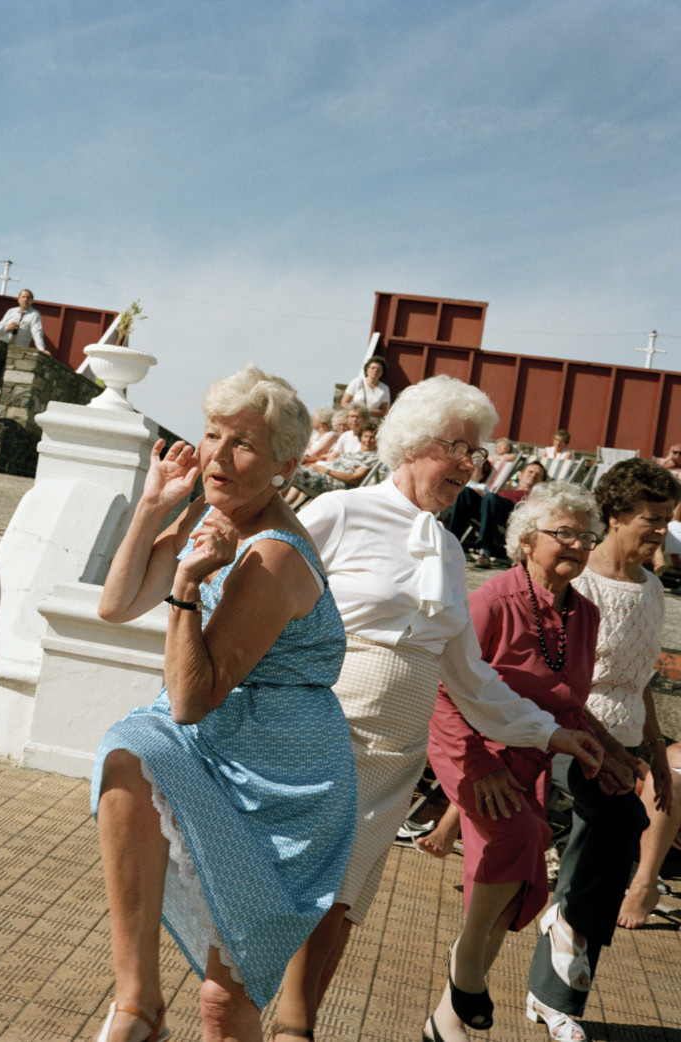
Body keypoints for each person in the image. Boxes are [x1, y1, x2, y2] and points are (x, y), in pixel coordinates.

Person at [274, 375, 604, 1042]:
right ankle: (286, 1026)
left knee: (345, 901)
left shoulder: (449, 549)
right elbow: (268, 608)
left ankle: (293, 1026)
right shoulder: (340, 511)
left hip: (397, 755)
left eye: (475, 453)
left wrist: (550, 734)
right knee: (306, 891)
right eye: (457, 448)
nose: (468, 465)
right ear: (411, 443)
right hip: (326, 732)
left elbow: (470, 676)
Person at [90, 365, 357, 1042]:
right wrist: (154, 506)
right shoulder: (214, 514)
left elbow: (189, 700)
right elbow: (116, 605)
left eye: (243, 444)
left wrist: (185, 586)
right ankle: (138, 1005)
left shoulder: (272, 557)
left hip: (283, 778)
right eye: (213, 434)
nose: (217, 455)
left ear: (284, 467)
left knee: (223, 1001)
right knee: (126, 758)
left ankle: (150, 1012)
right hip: (216, 749)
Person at [423, 482, 635, 1042]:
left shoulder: (585, 614)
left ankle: (446, 1021)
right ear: (524, 540)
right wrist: (478, 766)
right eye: (563, 533)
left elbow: (568, 703)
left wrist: (613, 755)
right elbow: (442, 689)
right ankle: (466, 960)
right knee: (518, 840)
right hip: (472, 748)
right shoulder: (490, 602)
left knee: (514, 886)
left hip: (532, 754)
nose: (578, 545)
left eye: (586, 537)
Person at [571, 460, 681, 933]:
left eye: (667, 518)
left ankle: (571, 953)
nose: (661, 529)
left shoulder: (652, 588)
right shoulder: (579, 580)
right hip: (574, 738)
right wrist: (611, 752)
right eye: (651, 518)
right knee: (612, 835)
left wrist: (655, 753)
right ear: (615, 516)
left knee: (592, 867)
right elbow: (557, 683)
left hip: (631, 742)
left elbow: (640, 680)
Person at [446, 459, 548, 567]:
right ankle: (450, 542)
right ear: (520, 475)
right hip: (491, 510)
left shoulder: (536, 497)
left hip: (512, 515)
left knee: (491, 498)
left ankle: (484, 551)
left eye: (538, 475)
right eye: (530, 472)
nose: (533, 475)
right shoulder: (506, 488)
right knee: (466, 492)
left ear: (541, 482)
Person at [289, 422, 379, 498]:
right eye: (365, 436)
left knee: (290, 471)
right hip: (322, 475)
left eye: (372, 438)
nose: (368, 440)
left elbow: (353, 479)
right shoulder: (353, 454)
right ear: (360, 437)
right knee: (289, 468)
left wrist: (326, 471)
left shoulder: (371, 458)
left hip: (332, 483)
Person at [0, 288, 47, 387]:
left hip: (18, 350)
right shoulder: (10, 311)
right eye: (23, 297)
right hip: (3, 346)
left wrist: (41, 349)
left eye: (28, 298)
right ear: (18, 299)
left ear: (32, 301)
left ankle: (3, 394)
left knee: (8, 375)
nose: (25, 299)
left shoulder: (35, 315)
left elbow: (37, 332)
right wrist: (7, 328)